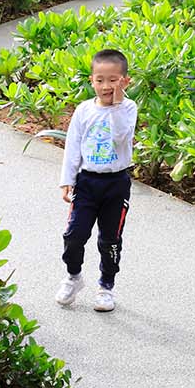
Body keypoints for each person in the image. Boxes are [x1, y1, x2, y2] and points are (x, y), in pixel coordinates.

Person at [56, 49, 138, 314]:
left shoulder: (127, 109)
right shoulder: (83, 110)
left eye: (113, 80)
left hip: (116, 183)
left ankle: (106, 286)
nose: (106, 86)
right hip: (87, 183)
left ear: (125, 81)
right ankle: (73, 276)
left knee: (110, 239)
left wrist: (115, 105)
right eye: (100, 80)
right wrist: (67, 180)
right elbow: (73, 147)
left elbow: (120, 137)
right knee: (74, 235)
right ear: (92, 80)